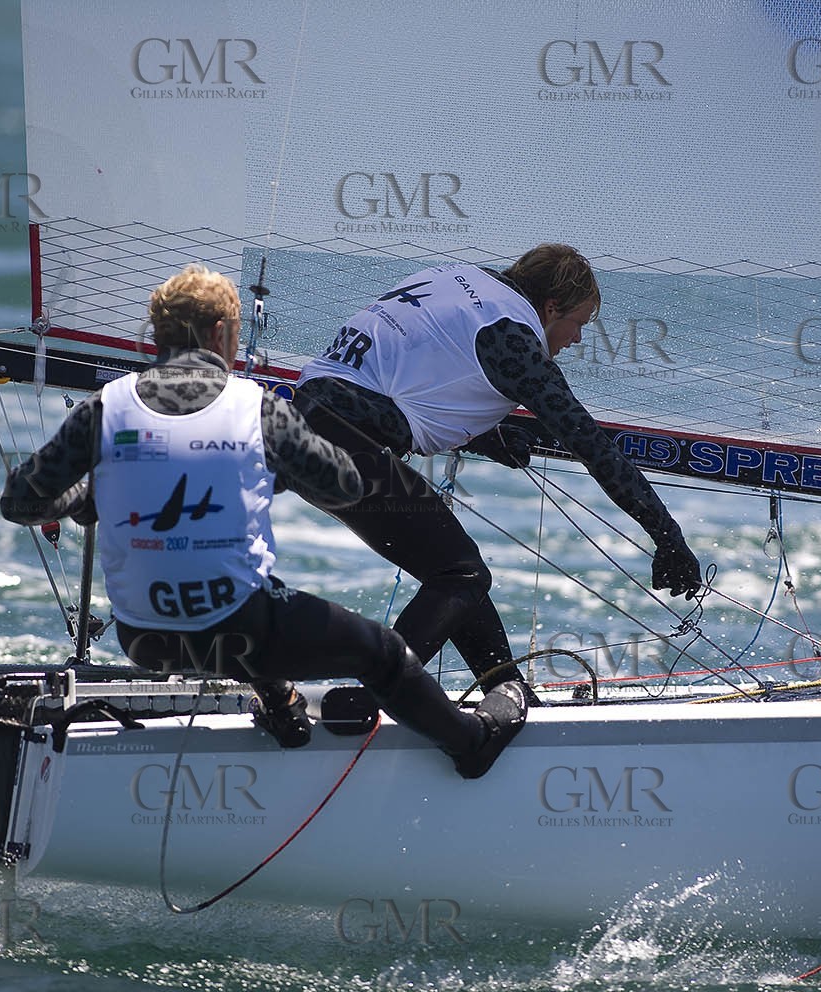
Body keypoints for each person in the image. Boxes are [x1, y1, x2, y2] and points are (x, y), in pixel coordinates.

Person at [0, 264, 526, 779]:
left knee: (244, 589)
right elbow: (344, 486)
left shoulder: (102, 409)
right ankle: (472, 745)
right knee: (378, 651)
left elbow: (21, 503)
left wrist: (96, 493)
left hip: (147, 638)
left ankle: (281, 707)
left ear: (156, 335)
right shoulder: (258, 409)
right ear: (223, 333)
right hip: (241, 631)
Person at [292, 243, 703, 708]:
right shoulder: (511, 338)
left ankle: (506, 690)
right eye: (578, 324)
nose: (577, 340)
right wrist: (667, 536)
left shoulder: (459, 279)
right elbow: (593, 446)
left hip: (302, 423)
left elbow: (414, 373)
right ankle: (371, 698)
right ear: (551, 308)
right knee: (461, 575)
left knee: (455, 569)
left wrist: (485, 436)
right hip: (345, 440)